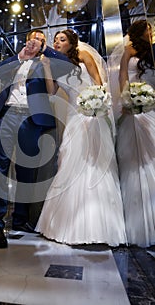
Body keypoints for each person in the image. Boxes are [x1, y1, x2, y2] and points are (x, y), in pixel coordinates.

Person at [35, 29, 127, 246]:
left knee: (96, 161)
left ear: (71, 42)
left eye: (62, 39)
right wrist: (47, 67)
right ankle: (66, 223)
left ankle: (100, 222)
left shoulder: (83, 55)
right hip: (74, 116)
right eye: (55, 40)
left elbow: (98, 82)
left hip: (93, 113)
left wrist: (97, 103)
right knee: (70, 160)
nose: (57, 43)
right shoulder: (55, 64)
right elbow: (51, 91)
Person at [0, 29, 70, 249]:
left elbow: (66, 62)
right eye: (34, 39)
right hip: (7, 114)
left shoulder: (49, 63)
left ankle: (20, 219)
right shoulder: (15, 59)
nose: (37, 43)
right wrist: (19, 57)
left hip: (32, 119)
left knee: (27, 171)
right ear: (26, 41)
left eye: (41, 41)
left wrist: (43, 51)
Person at [116, 19, 155, 247]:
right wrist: (126, 98)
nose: (151, 34)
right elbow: (123, 75)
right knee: (133, 159)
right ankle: (136, 220)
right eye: (148, 30)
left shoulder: (152, 53)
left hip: (150, 105)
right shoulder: (129, 50)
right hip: (133, 106)